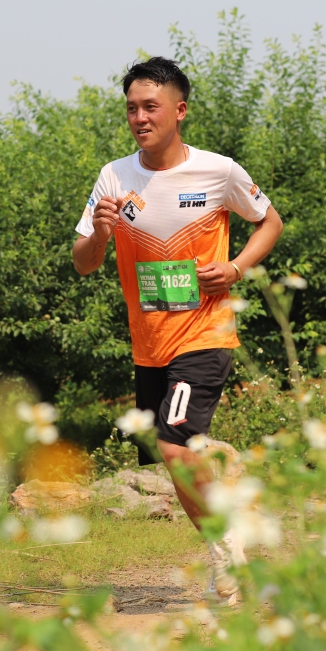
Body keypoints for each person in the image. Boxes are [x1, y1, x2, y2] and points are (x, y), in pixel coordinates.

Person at [72, 56, 283, 605]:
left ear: (179, 111)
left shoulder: (218, 171)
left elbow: (271, 221)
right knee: (175, 453)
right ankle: (227, 525)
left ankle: (226, 554)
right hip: (150, 344)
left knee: (173, 443)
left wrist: (236, 268)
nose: (140, 117)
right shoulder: (114, 177)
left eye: (151, 107)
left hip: (205, 332)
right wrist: (99, 232)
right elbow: (84, 263)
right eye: (132, 109)